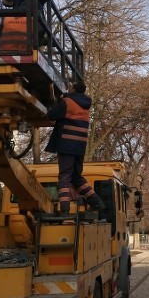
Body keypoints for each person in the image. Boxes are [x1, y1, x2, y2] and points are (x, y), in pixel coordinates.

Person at [45, 81, 106, 215]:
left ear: (73, 89)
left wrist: (57, 102)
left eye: (70, 86)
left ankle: (65, 209)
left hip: (66, 144)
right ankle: (96, 202)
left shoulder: (67, 102)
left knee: (65, 176)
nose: (68, 88)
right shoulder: (86, 105)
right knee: (76, 177)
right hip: (79, 146)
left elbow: (51, 115)